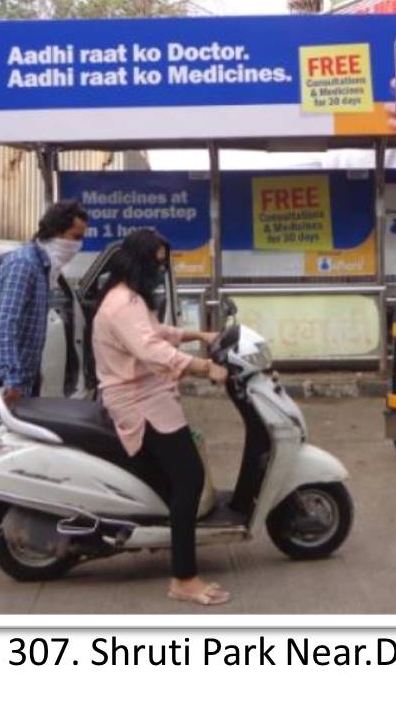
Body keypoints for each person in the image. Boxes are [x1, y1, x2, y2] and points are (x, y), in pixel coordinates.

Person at [93, 229, 230, 606]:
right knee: (189, 478)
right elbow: (151, 349)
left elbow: (155, 332)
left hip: (147, 393)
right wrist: (205, 367)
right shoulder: (123, 303)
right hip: (141, 400)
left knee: (175, 481)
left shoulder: (129, 298)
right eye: (156, 260)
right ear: (140, 260)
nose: (160, 267)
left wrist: (197, 334)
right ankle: (184, 579)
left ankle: (172, 543)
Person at [0, 199, 89, 558]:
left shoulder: (41, 265)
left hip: (12, 376)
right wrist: (15, 379)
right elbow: (4, 324)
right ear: (54, 231)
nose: (77, 245)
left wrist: (29, 372)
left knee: (16, 455)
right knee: (7, 459)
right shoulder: (23, 265)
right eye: (74, 236)